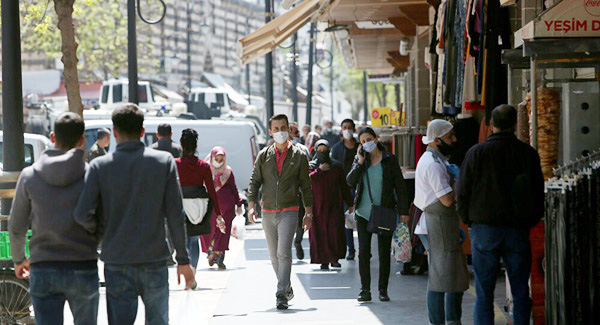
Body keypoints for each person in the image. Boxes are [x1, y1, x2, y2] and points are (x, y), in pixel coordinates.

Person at [74, 105, 194, 325]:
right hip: (154, 258)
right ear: (142, 131)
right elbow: (175, 215)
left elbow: (82, 214)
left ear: (115, 132)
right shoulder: (163, 163)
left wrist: (101, 234)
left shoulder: (99, 166)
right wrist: (183, 260)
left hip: (116, 258)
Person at [456, 105, 544, 325]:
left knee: (484, 292)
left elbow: (462, 191)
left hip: (484, 228)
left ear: (490, 125)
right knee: (521, 290)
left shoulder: (476, 153)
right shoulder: (527, 153)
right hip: (517, 229)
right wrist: (530, 220)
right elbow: (537, 191)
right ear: (515, 124)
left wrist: (469, 220)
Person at [10, 112, 100, 325]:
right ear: (81, 140)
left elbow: (16, 226)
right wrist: (96, 242)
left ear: (52, 137)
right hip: (83, 263)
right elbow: (103, 220)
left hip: (43, 265)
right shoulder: (92, 175)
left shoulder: (30, 175)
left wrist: (18, 258)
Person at [247, 114, 313, 310]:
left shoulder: (299, 156)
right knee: (273, 255)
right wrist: (251, 205)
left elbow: (306, 186)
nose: (280, 132)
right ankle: (287, 287)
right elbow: (254, 182)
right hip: (267, 211)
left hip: (290, 210)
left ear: (289, 129)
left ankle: (280, 293)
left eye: (283, 127)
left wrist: (308, 214)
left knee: (283, 252)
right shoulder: (263, 155)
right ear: (270, 131)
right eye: (276, 128)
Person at [414, 119, 468, 325]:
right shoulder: (433, 164)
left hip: (441, 223)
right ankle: (443, 321)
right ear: (437, 140)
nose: (454, 140)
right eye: (449, 137)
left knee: (451, 275)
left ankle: (450, 320)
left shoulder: (436, 159)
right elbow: (446, 200)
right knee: (440, 278)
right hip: (437, 223)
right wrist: (459, 181)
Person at [347, 127, 410, 302]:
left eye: (369, 139)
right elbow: (350, 181)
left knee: (384, 253)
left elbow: (400, 187)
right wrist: (359, 161)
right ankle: (365, 290)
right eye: (362, 141)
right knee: (364, 252)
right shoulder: (360, 160)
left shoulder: (390, 159)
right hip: (363, 212)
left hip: (384, 211)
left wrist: (404, 211)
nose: (366, 143)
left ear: (376, 139)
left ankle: (383, 290)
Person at [174, 129, 224, 273]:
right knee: (194, 239)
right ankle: (193, 272)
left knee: (183, 241)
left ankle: (186, 271)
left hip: (180, 206)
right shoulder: (204, 166)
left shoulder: (175, 163)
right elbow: (211, 190)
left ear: (181, 146)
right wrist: (218, 214)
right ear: (196, 146)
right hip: (198, 208)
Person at [308, 139, 354, 270]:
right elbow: (307, 181)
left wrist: (350, 202)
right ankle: (323, 260)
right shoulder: (312, 165)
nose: (322, 152)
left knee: (334, 231)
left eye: (325, 150)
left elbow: (344, 186)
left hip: (334, 204)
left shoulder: (336, 166)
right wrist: (319, 170)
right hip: (317, 206)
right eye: (320, 150)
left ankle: (334, 258)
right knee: (320, 232)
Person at [204, 146, 244, 270]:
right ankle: (211, 255)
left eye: (222, 159)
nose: (219, 161)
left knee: (223, 233)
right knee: (210, 232)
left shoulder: (228, 172)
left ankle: (219, 259)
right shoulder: (205, 169)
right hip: (210, 208)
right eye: (217, 158)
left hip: (226, 209)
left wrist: (238, 203)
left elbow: (233, 187)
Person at [331, 118, 359, 260]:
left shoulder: (360, 147)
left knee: (362, 219)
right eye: (344, 127)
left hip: (360, 188)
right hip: (344, 189)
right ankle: (351, 249)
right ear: (341, 130)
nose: (347, 129)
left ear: (354, 130)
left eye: (349, 127)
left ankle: (364, 247)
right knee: (347, 220)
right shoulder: (337, 148)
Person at [289, 122, 310, 260]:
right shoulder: (275, 149)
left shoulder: (303, 149)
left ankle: (297, 242)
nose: (297, 135)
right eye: (294, 132)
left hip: (300, 191)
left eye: (298, 133)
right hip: (285, 192)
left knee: (300, 220)